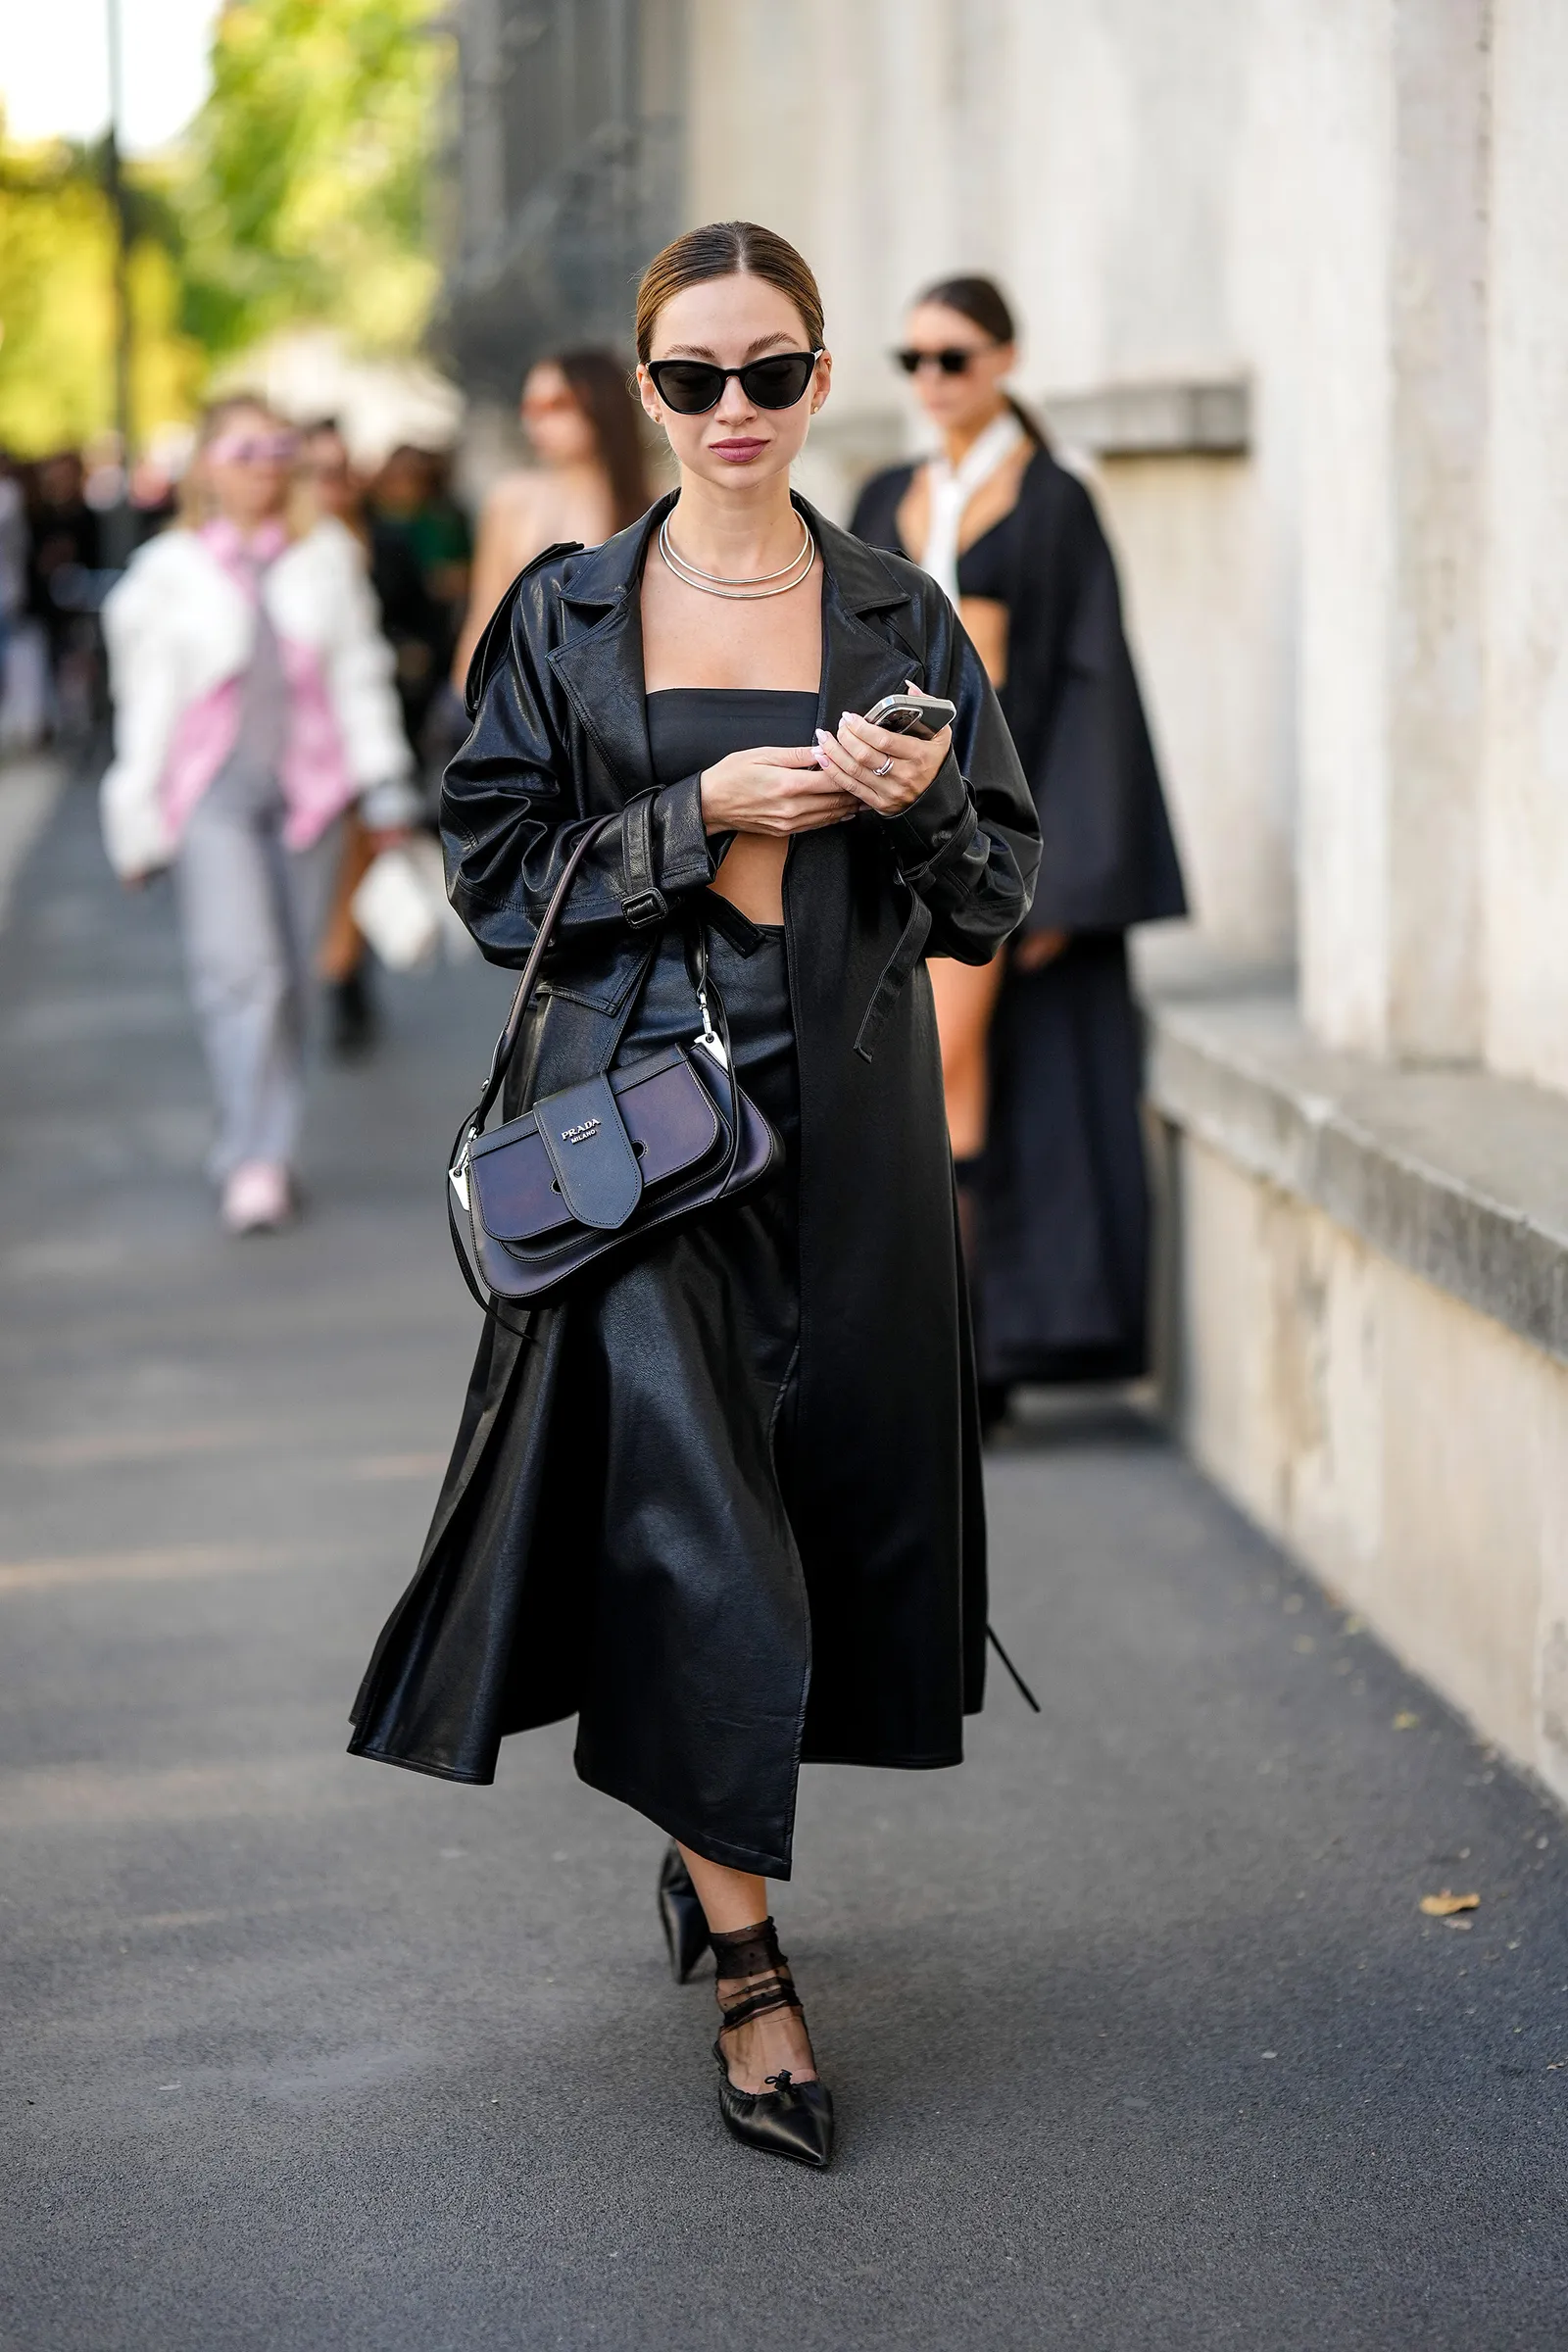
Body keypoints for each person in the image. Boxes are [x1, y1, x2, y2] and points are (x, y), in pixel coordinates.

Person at [350, 222, 1040, 2169]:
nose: (729, 410)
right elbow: (498, 882)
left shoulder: (903, 613)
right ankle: (750, 1968)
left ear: (819, 381)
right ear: (648, 392)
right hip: (642, 1139)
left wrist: (914, 812)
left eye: (768, 371)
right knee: (694, 1533)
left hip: (852, 1129)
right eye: (690, 377)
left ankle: (705, 1860)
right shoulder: (567, 615)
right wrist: (703, 813)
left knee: (806, 1515)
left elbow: (994, 896)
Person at [851, 275, 1187, 1407]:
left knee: (965, 1077)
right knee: (916, 1081)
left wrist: (1066, 882)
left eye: (953, 357)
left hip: (1002, 831)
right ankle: (934, 1354)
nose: (932, 382)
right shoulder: (883, 491)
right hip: (891, 834)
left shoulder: (1052, 501)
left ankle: (976, 1356)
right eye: (913, 361)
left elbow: (1096, 684)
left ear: (1003, 359)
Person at [99, 396, 417, 1232]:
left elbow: (360, 675)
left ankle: (262, 1140)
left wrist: (383, 782)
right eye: (244, 451)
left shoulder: (326, 558)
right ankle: (254, 1157)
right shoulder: (166, 573)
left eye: (279, 450)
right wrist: (136, 819)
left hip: (311, 796)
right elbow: (144, 707)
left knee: (295, 986)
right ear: (206, 463)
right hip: (211, 797)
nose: (265, 466)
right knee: (246, 974)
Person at [451, 347, 654, 683]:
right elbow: (484, 617)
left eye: (557, 405)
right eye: (530, 408)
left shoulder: (652, 503)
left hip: (618, 694)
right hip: (526, 696)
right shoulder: (512, 500)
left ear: (600, 403)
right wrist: (467, 701)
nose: (537, 421)